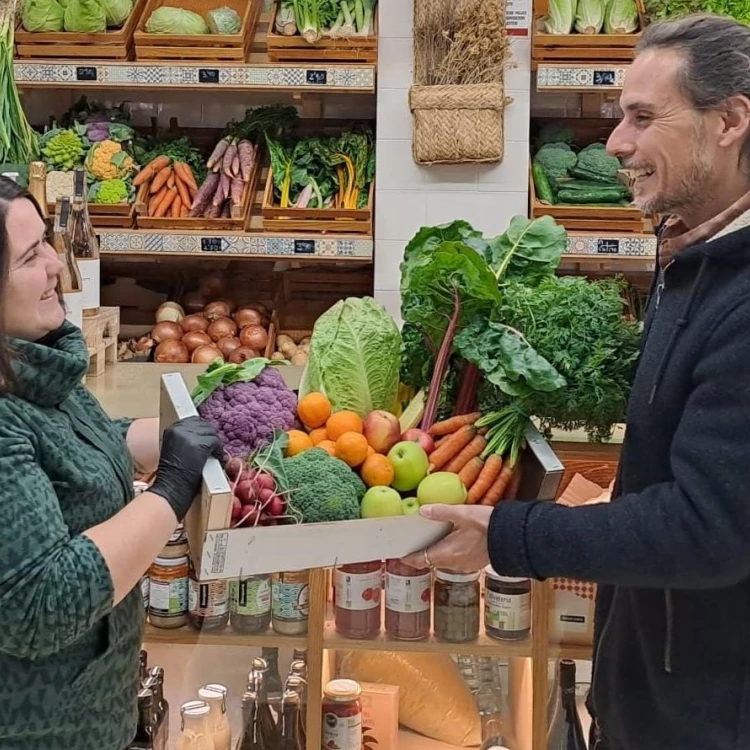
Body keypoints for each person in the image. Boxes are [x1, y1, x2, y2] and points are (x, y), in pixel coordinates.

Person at [404, 14, 750, 750]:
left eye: (643, 118)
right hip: (649, 694)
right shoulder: (693, 256)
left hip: (708, 719)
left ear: (730, 122)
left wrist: (509, 534)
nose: (617, 144)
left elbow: (707, 529)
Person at [0, 176, 222, 749]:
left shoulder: (35, 358)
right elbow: (39, 602)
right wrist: (170, 488)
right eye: (30, 256)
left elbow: (81, 446)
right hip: (44, 731)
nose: (55, 265)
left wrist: (178, 435)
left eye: (47, 242)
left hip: (99, 713)